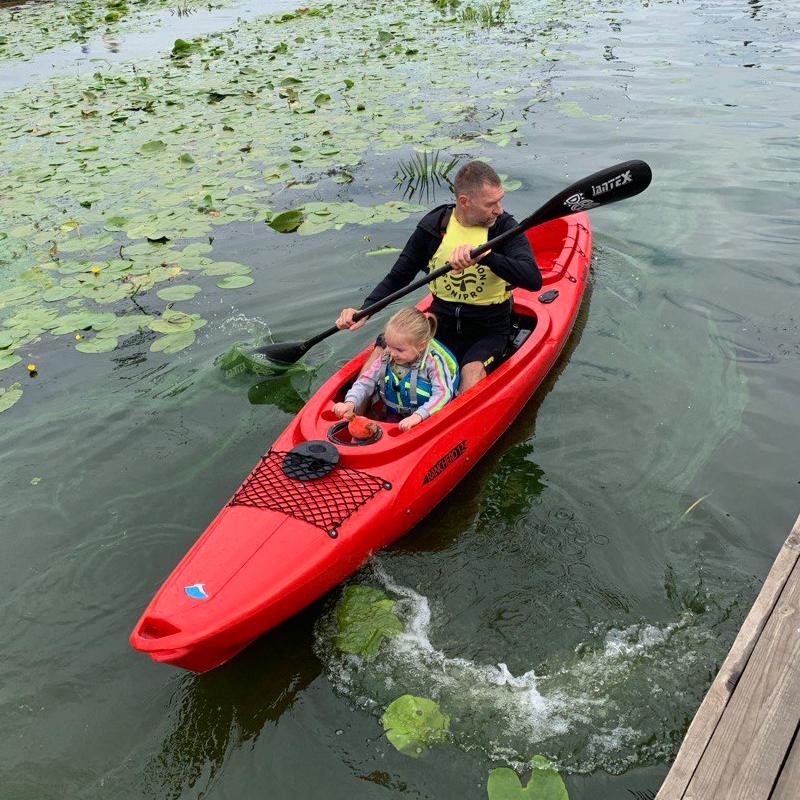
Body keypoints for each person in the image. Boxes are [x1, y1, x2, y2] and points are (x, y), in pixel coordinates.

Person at [336, 160, 541, 393]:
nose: (499, 210)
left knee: (471, 370)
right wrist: (366, 310)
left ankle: (457, 411)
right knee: (384, 346)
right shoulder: (434, 227)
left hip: (489, 328)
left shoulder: (504, 228)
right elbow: (399, 276)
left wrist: (487, 256)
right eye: (491, 204)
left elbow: (533, 279)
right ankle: (351, 407)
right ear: (464, 201)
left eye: (500, 200)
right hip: (439, 322)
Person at [332, 306, 459, 433]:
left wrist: (418, 416)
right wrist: (350, 403)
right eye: (389, 345)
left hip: (425, 419)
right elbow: (366, 381)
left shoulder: (433, 362)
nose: (392, 353)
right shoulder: (387, 355)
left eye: (399, 350)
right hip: (393, 415)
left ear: (421, 346)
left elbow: (443, 394)